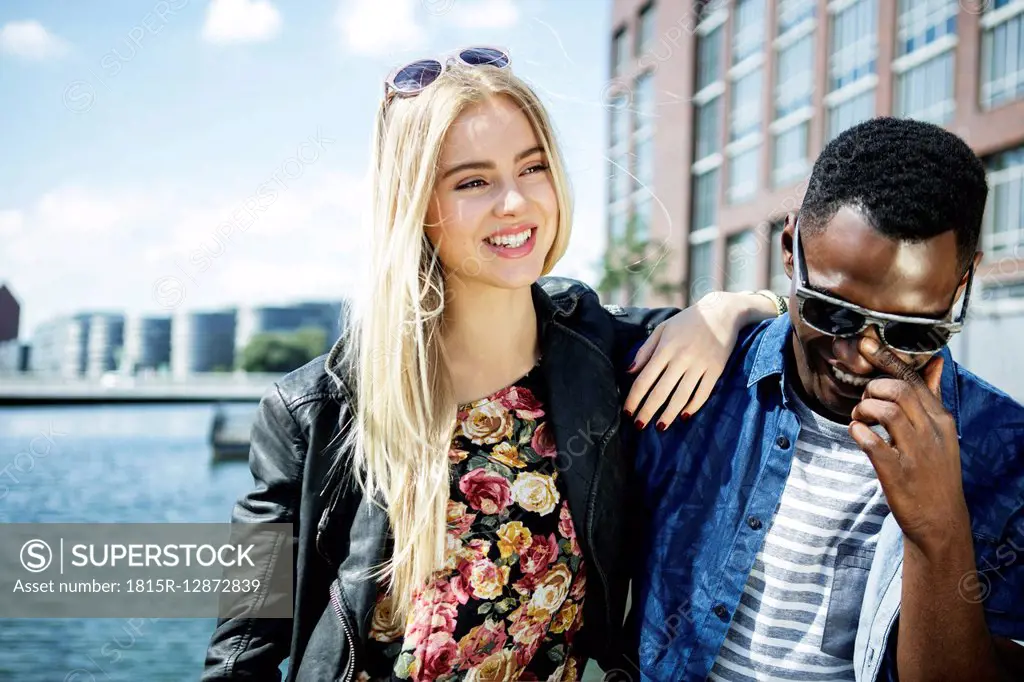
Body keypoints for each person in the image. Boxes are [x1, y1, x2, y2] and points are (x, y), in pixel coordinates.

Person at [201, 47, 780, 681]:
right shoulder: (314, 412)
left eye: (532, 168)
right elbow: (242, 650)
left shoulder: (606, 356)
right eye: (473, 181)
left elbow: (786, 330)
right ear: (415, 206)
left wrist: (733, 306)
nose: (515, 202)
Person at [627, 116, 1024, 682]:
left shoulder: (1007, 456)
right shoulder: (694, 376)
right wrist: (726, 306)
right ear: (790, 248)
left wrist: (939, 529)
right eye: (831, 312)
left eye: (911, 331)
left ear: (961, 287)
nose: (861, 356)